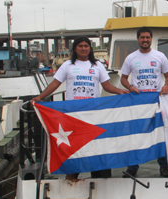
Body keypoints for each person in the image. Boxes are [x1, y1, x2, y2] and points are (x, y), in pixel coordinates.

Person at [32, 36, 128, 179]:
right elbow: (55, 84)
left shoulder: (97, 66)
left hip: (92, 113)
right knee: (74, 144)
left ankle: (97, 174)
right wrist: (40, 97)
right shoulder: (67, 66)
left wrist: (120, 91)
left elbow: (106, 86)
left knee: (94, 144)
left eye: (86, 46)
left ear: (90, 48)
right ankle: (72, 173)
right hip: (73, 113)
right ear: (75, 49)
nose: (84, 48)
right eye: (80, 46)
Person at [120, 27, 168, 178]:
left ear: (151, 39)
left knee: (159, 134)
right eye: (142, 37)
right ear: (138, 39)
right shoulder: (131, 58)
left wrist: (166, 85)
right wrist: (129, 86)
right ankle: (132, 168)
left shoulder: (159, 56)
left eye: (147, 37)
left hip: (156, 102)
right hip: (138, 102)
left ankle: (164, 167)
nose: (145, 40)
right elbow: (123, 78)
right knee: (137, 134)